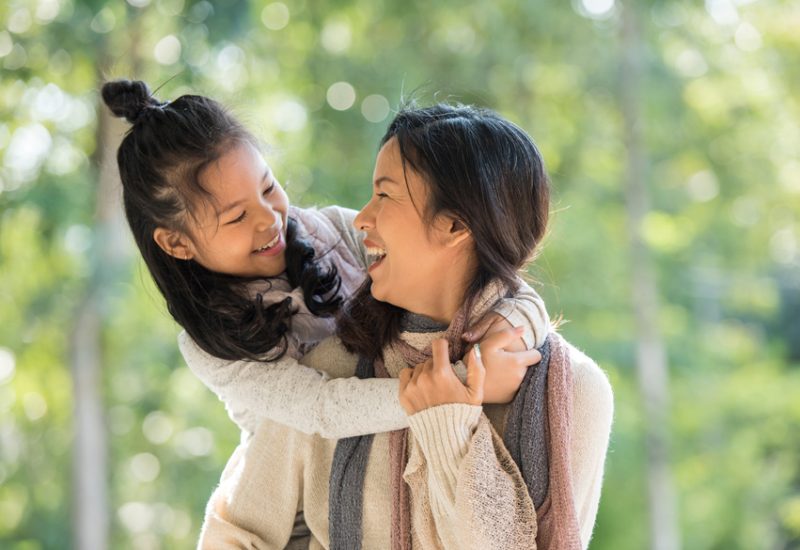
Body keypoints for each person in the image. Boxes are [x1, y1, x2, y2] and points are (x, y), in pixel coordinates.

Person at [199, 104, 614, 549]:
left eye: (385, 195)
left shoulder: (573, 391)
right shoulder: (329, 372)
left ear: (454, 224)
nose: (361, 219)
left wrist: (448, 425)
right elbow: (233, 535)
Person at [100, 79, 549, 447]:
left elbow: (487, 274)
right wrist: (453, 387)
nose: (269, 219)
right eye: (236, 216)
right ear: (177, 244)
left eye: (268, 187)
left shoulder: (331, 230)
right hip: (295, 496)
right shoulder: (210, 342)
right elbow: (322, 408)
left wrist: (512, 324)